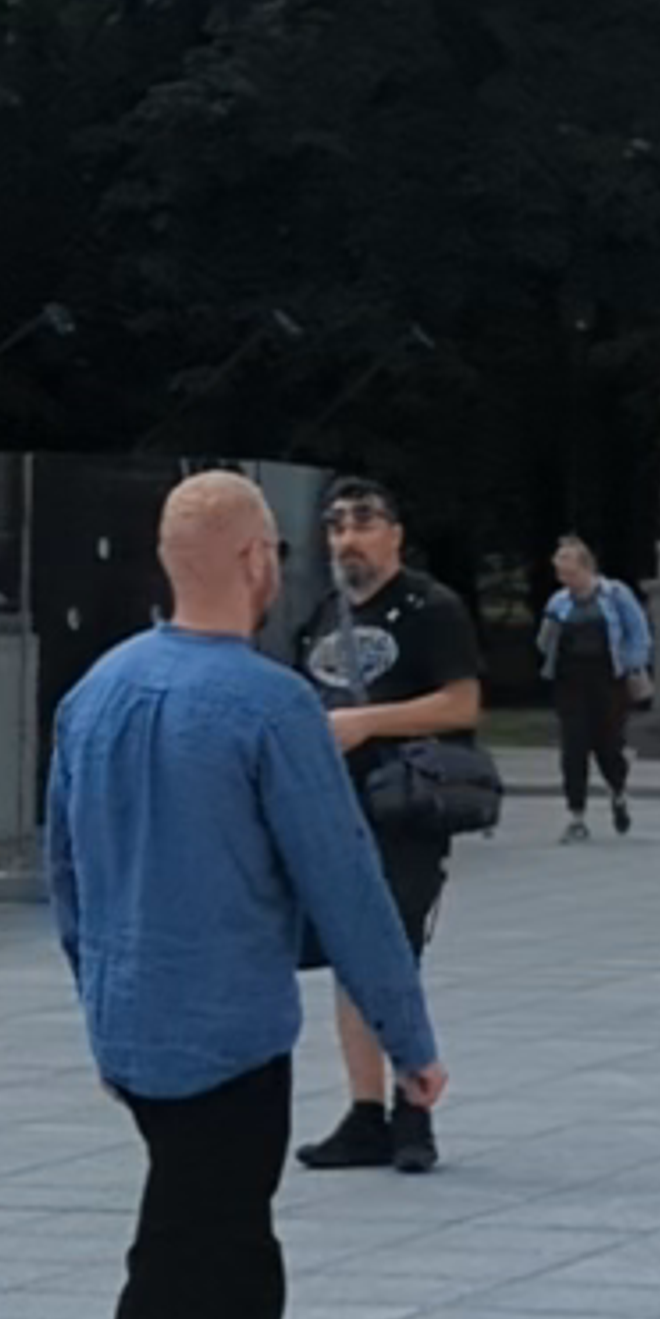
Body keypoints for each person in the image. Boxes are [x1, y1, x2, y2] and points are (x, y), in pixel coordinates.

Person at [46, 466, 439, 1319]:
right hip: (228, 1037)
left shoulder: (97, 691)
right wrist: (409, 1036)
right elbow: (346, 882)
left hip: (137, 1026)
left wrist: (101, 991)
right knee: (176, 1275)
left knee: (233, 1255)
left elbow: (65, 877)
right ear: (259, 560)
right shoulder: (268, 705)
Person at [293, 476, 484, 1174]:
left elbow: (461, 703)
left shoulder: (430, 608)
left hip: (404, 806)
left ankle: (415, 1110)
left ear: (395, 534)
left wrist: (365, 722)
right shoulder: (321, 614)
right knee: (348, 955)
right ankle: (364, 1109)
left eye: (364, 521)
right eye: (337, 524)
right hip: (331, 810)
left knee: (391, 953)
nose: (349, 536)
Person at [536, 531, 652, 842]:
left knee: (608, 746)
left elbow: (638, 632)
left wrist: (633, 665)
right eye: (561, 573)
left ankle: (617, 792)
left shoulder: (614, 595)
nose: (565, 579)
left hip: (608, 681)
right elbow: (544, 642)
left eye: (570, 572)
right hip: (570, 682)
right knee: (573, 748)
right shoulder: (559, 602)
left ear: (586, 568)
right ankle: (577, 815)